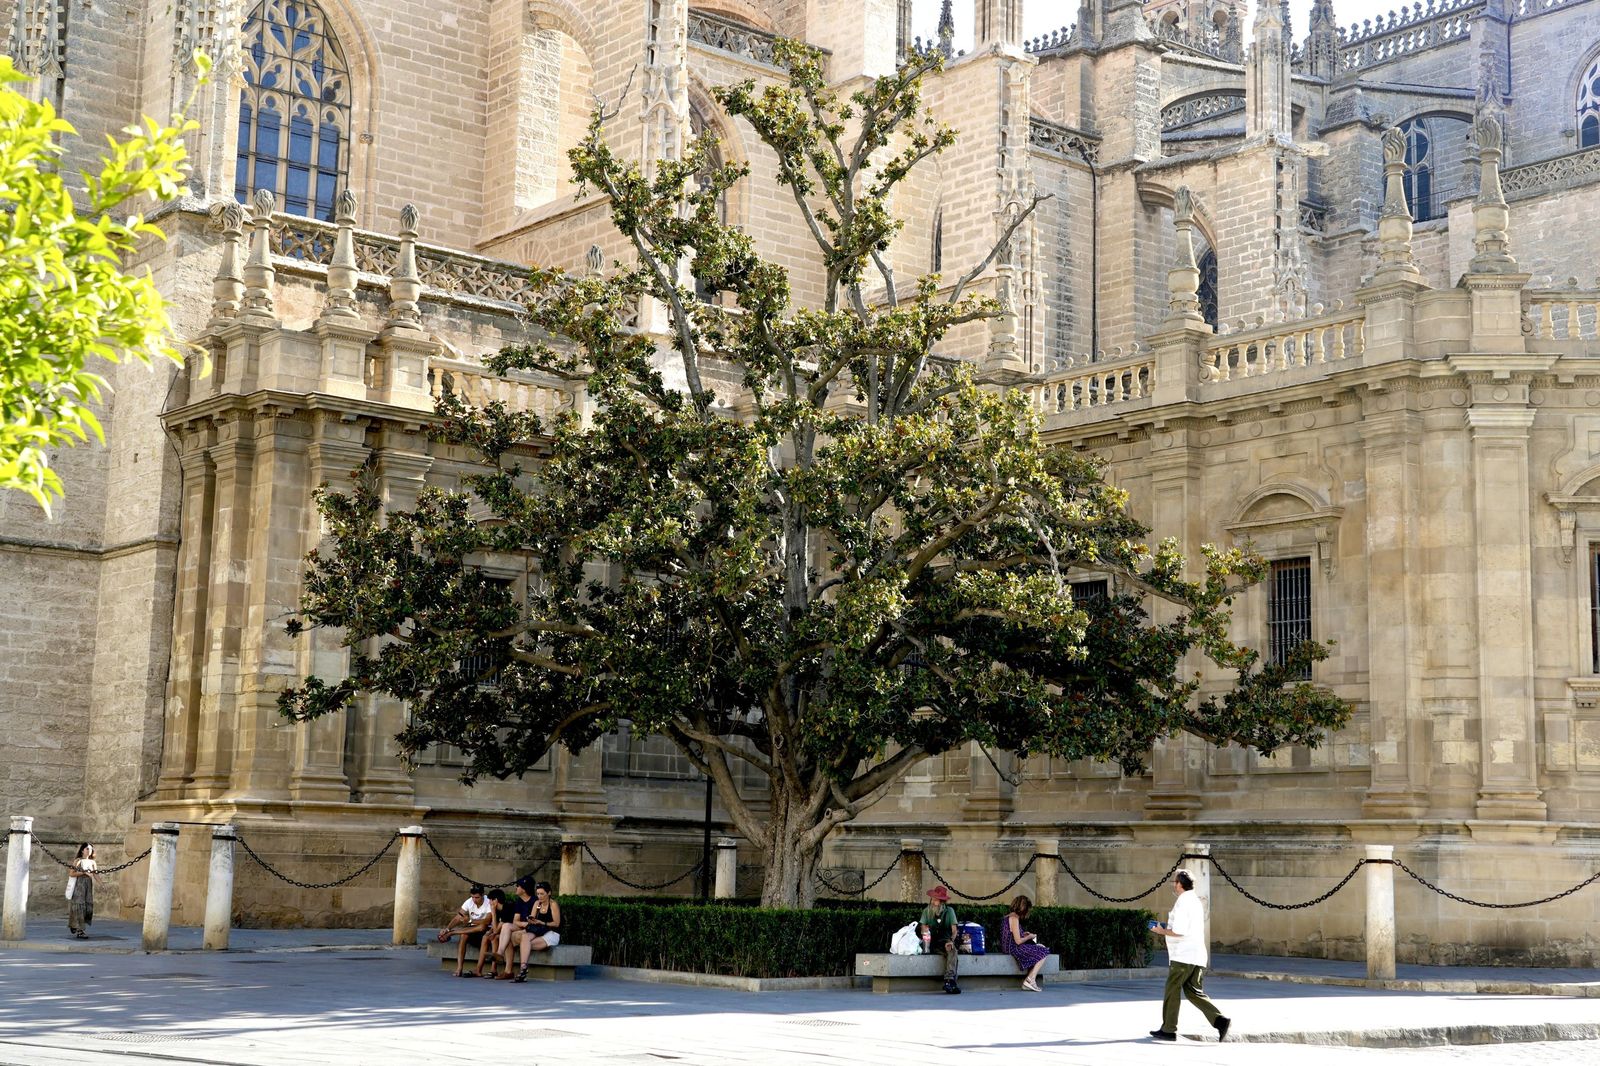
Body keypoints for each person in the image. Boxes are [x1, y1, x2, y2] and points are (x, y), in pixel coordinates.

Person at [1148, 871, 1231, 1043]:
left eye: (1174, 882)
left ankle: (1169, 1029)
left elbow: (1179, 931)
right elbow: (1184, 927)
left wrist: (1160, 930)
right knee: (1194, 992)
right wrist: (1165, 927)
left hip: (1183, 956)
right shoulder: (1195, 900)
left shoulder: (1182, 902)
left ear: (1179, 884)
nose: (1173, 885)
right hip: (1197, 955)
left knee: (1172, 989)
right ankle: (1220, 1021)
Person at [500, 880, 562, 983]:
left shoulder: (553, 904)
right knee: (524, 939)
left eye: (542, 894)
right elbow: (533, 919)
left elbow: (556, 923)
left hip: (551, 934)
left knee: (524, 944)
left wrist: (542, 922)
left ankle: (522, 971)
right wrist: (531, 920)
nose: (540, 896)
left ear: (549, 893)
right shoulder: (537, 903)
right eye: (538, 894)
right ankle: (523, 968)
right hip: (539, 931)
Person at [437, 884, 495, 977]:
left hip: (485, 930)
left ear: (483, 895)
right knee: (463, 935)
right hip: (472, 929)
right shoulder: (469, 902)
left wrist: (470, 920)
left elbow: (487, 921)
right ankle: (459, 968)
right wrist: (447, 929)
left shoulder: (488, 902)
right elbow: (458, 917)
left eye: (477, 897)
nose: (475, 900)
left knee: (482, 927)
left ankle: (454, 933)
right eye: (472, 897)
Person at [1001, 894, 1050, 992]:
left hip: (1008, 947)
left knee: (1040, 948)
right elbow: (1018, 941)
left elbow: (1012, 935)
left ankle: (1029, 980)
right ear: (1024, 908)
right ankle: (1030, 980)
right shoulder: (1014, 918)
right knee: (1044, 951)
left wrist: (1023, 934)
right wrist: (1029, 937)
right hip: (1013, 948)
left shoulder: (1009, 917)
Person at [918, 884, 961, 994]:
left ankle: (949, 980)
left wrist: (951, 941)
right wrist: (925, 930)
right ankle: (951, 983)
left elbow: (954, 930)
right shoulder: (926, 911)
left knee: (952, 950)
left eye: (936, 900)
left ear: (942, 902)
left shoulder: (949, 911)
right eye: (932, 899)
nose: (933, 902)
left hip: (944, 941)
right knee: (954, 955)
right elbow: (923, 928)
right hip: (930, 942)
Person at [65, 843, 100, 940]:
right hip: (79, 887)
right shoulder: (78, 861)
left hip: (88, 886)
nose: (89, 850)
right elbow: (72, 873)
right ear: (82, 850)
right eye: (87, 849)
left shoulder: (93, 862)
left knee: (87, 907)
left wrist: (102, 884)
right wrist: (83, 872)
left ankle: (74, 925)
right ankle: (80, 930)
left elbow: (96, 874)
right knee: (79, 906)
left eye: (90, 849)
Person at [475, 889, 508, 978]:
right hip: (500, 931)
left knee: (494, 937)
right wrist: (489, 932)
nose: (489, 903)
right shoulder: (497, 910)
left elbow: (497, 930)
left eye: (490, 900)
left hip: (508, 933)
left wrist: (493, 913)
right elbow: (494, 927)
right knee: (486, 937)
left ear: (495, 900)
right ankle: (478, 969)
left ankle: (493, 969)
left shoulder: (506, 909)